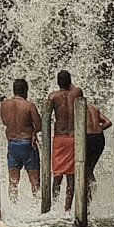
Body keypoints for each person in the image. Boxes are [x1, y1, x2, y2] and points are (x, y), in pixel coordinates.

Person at [0, 78, 43, 202]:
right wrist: (34, 132)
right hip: (28, 145)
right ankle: (37, 206)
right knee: (34, 181)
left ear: (14, 90)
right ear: (25, 90)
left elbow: (5, 122)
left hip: (13, 145)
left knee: (13, 181)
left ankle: (13, 206)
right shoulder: (29, 105)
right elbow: (39, 124)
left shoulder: (4, 105)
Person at [48, 70, 85, 205]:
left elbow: (46, 117)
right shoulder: (77, 93)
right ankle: (67, 208)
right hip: (74, 137)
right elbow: (75, 90)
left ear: (58, 82)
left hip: (59, 138)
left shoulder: (53, 97)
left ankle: (55, 204)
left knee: (57, 175)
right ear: (70, 81)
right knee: (71, 176)